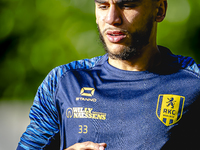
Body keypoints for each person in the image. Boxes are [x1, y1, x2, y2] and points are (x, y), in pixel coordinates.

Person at [17, 0, 200, 149]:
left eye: (127, 5)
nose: (112, 18)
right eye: (103, 6)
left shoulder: (194, 82)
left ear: (159, 9)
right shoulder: (64, 81)